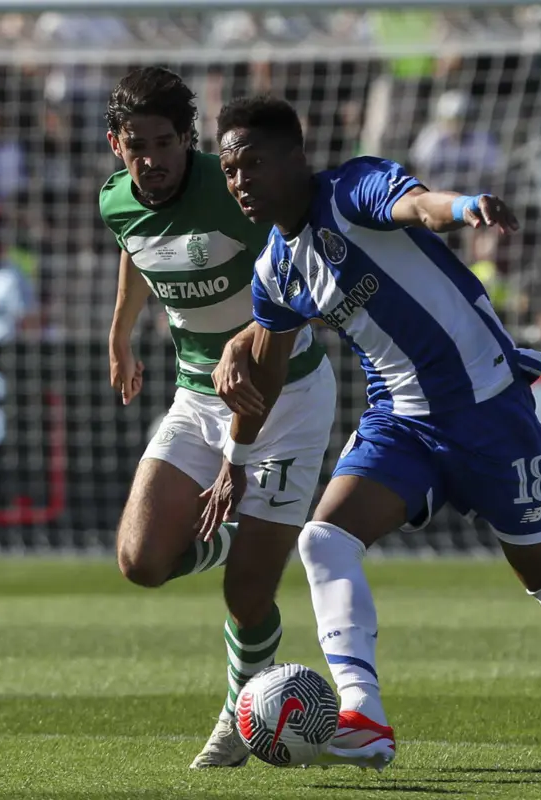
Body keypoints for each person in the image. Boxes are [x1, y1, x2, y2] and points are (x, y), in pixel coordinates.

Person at [199, 96, 541, 771]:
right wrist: (234, 458)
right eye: (231, 170)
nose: (240, 182)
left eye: (253, 164)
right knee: (325, 540)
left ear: (297, 157)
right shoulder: (275, 270)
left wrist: (466, 206)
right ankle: (364, 714)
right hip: (401, 422)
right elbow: (262, 368)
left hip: (487, 408)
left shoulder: (350, 191)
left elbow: (416, 205)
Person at [98, 68, 337, 769]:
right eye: (137, 144)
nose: (153, 158)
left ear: (188, 141)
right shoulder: (117, 200)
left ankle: (239, 716)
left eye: (166, 143)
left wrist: (238, 458)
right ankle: (244, 536)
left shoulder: (236, 190)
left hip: (283, 393)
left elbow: (296, 284)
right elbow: (136, 250)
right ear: (116, 144)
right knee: (141, 563)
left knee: (246, 594)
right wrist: (120, 335)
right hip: (198, 395)